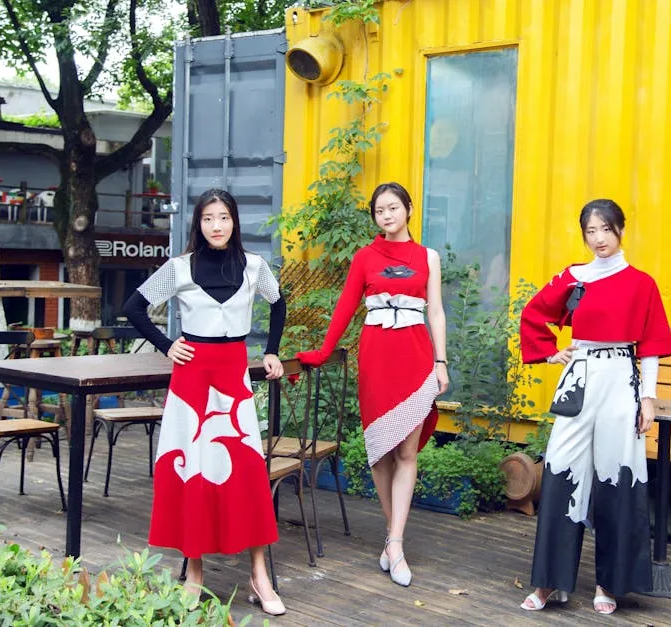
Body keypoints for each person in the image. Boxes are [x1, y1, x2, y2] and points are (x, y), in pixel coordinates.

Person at [122, 188, 288, 616]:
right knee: (194, 469)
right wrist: (166, 344)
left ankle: (258, 574)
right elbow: (133, 306)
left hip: (234, 376)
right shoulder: (178, 267)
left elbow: (279, 303)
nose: (217, 225)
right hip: (191, 378)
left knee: (246, 470)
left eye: (224, 217)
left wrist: (271, 350)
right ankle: (194, 572)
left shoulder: (255, 266)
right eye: (208, 218)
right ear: (198, 223)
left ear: (234, 222)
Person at [517, 199, 671, 615]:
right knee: (559, 471)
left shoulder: (642, 283)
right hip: (581, 378)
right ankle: (550, 582)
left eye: (606, 229)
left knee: (617, 478)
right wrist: (551, 353)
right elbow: (533, 315)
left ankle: (609, 583)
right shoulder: (573, 277)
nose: (598, 238)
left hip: (622, 381)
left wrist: (649, 398)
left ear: (621, 230)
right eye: (591, 231)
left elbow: (651, 347)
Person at [297, 182, 449, 587]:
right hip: (377, 359)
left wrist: (441, 361)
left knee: (407, 451)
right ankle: (392, 534)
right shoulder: (364, 257)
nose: (387, 215)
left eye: (394, 207)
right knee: (381, 452)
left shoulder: (427, 257)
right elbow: (346, 306)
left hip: (416, 358)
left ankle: (395, 542)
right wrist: (324, 350)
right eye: (380, 210)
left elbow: (435, 311)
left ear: (409, 210)